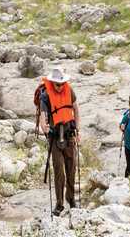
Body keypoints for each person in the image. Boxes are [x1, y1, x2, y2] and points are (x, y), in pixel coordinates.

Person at [40, 67, 81, 216]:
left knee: (72, 168)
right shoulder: (45, 96)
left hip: (69, 135)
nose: (60, 86)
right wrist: (45, 129)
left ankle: (71, 198)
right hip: (55, 138)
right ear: (52, 82)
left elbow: (76, 109)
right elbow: (42, 117)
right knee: (59, 171)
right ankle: (59, 204)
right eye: (57, 84)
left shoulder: (69, 91)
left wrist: (78, 130)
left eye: (62, 83)